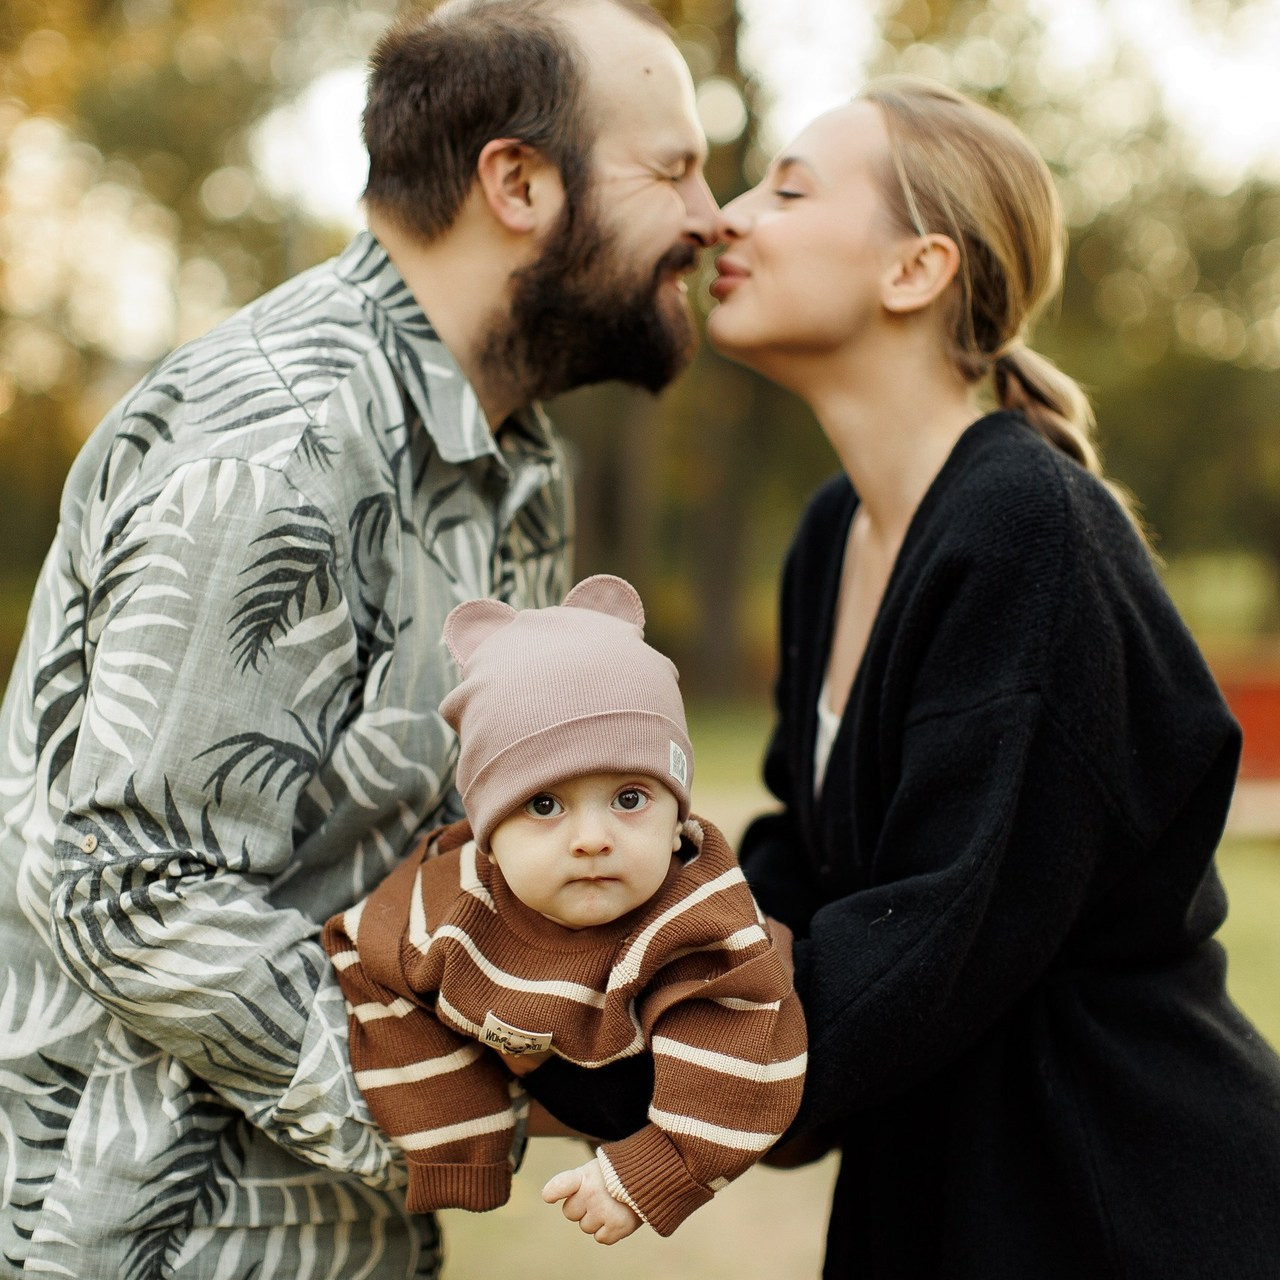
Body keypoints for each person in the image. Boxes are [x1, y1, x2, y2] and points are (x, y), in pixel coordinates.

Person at [0, 1, 717, 1274]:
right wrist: (487, 1104)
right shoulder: (280, 444)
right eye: (672, 168)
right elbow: (126, 885)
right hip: (162, 1241)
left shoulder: (510, 464)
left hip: (357, 1237)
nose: (710, 216)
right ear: (518, 181)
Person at [702, 77, 1280, 1278]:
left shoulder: (1024, 527)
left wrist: (631, 1077)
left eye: (788, 189)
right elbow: (802, 872)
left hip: (1112, 1202)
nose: (726, 216)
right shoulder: (834, 535)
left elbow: (931, 941)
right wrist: (620, 959)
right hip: (934, 1198)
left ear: (913, 269)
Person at [322, 574, 805, 1244]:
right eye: (543, 804)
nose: (592, 838)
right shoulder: (447, 905)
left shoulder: (702, 924)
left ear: (677, 818)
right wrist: (460, 1138)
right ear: (489, 833)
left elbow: (749, 1063)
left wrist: (645, 1175)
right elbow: (364, 956)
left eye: (630, 797)